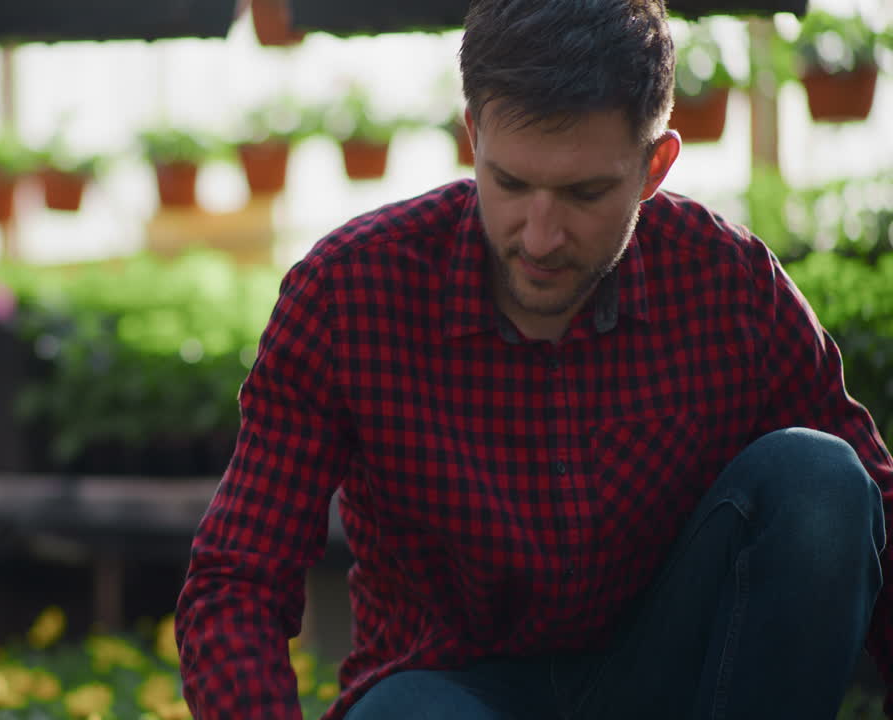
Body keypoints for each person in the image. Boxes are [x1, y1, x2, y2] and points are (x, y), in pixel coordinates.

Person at [174, 0, 893, 718]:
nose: (541, 237)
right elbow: (237, 580)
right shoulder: (351, 291)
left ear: (655, 164)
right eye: (511, 184)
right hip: (444, 687)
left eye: (585, 193)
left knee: (824, 481)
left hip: (669, 681)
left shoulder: (728, 285)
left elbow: (875, 519)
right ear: (472, 136)